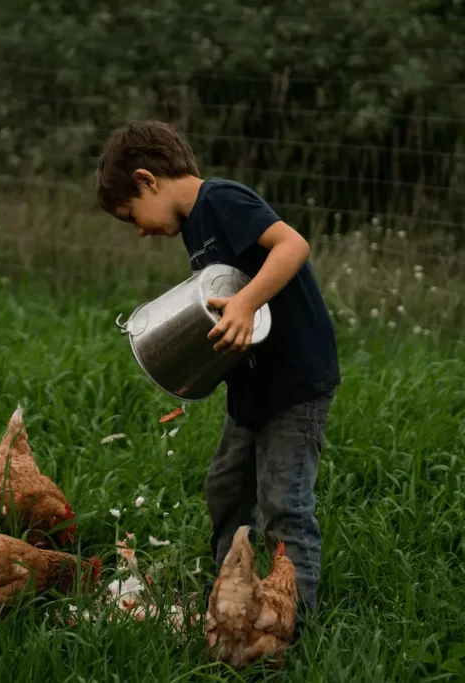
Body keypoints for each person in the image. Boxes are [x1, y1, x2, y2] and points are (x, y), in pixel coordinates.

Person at [95, 120, 340, 637]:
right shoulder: (193, 225)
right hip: (252, 384)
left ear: (148, 179)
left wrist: (248, 302)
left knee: (284, 504)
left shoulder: (222, 199)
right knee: (226, 487)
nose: (138, 230)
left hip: (294, 382)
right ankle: (229, 601)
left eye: (130, 215)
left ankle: (294, 628)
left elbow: (293, 245)